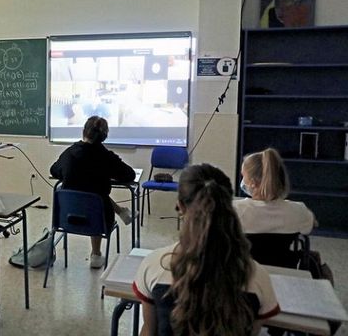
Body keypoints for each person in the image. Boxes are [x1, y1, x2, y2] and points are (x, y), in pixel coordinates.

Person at [133, 164, 280, 336]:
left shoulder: (154, 265)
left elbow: (149, 330)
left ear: (180, 206)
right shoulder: (255, 275)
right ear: (229, 205)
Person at [50, 115, 136, 269]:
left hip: (67, 219)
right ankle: (96, 254)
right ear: (104, 136)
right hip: (98, 219)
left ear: (84, 131)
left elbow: (54, 170)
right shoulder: (106, 157)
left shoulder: (69, 153)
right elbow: (129, 175)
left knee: (87, 191)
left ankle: (121, 212)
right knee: (96, 196)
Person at [234, 148, 315, 235]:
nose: (242, 180)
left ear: (253, 183)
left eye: (244, 176)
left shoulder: (235, 210)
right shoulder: (299, 211)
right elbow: (311, 224)